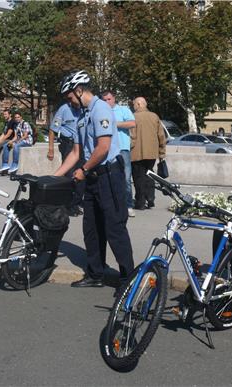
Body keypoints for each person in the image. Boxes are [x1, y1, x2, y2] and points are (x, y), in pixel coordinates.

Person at [54, 70, 134, 290]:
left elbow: (103, 148)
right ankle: (95, 274)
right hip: (92, 178)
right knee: (91, 228)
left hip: (109, 175)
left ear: (79, 91)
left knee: (115, 228)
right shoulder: (82, 117)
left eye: (70, 97)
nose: (69, 102)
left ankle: (128, 280)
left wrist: (84, 170)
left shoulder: (101, 110)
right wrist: (53, 177)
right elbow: (75, 153)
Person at [101, 91, 136, 218]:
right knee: (107, 178)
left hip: (122, 149)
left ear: (114, 99)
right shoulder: (101, 111)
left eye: (109, 99)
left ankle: (128, 205)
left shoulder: (123, 110)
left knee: (126, 178)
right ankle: (110, 205)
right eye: (104, 100)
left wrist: (115, 124)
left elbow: (132, 123)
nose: (107, 102)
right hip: (107, 149)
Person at [48, 99, 84, 217]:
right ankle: (69, 205)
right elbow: (53, 130)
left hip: (82, 145)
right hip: (68, 144)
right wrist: (51, 149)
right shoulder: (64, 109)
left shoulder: (84, 108)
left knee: (82, 174)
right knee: (69, 175)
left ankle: (77, 202)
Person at [131, 97, 166, 210]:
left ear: (139, 104)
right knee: (149, 175)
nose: (133, 107)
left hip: (136, 153)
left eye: (134, 105)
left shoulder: (133, 117)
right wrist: (161, 153)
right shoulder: (154, 116)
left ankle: (140, 202)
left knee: (138, 177)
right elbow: (161, 136)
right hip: (152, 153)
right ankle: (150, 198)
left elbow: (132, 136)